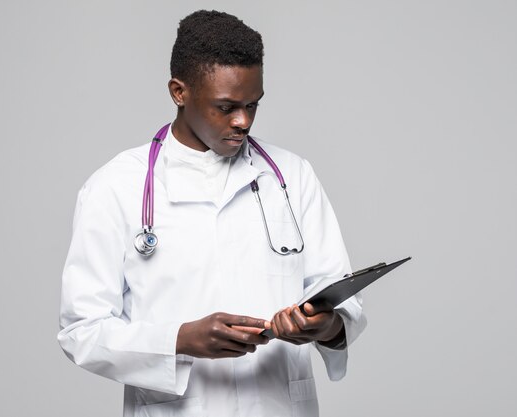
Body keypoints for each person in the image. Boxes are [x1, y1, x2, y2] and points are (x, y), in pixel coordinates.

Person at [58, 10, 366, 417]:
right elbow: (82, 331)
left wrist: (323, 326)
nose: (243, 121)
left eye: (252, 105)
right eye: (226, 107)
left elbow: (342, 302)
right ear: (178, 92)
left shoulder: (293, 176)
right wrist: (179, 340)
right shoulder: (115, 187)